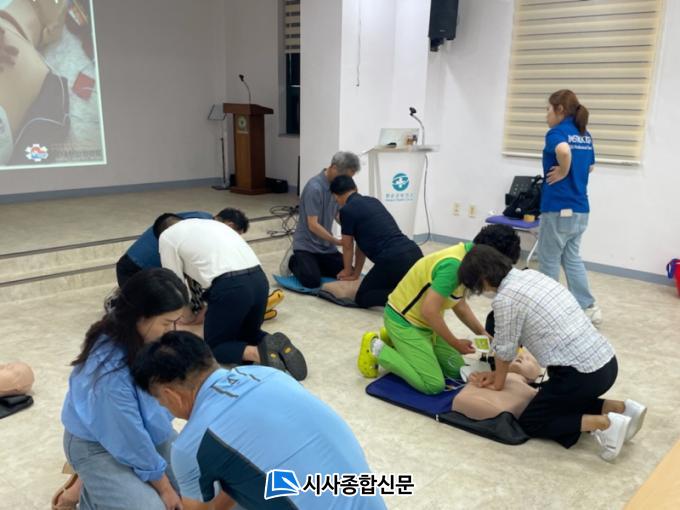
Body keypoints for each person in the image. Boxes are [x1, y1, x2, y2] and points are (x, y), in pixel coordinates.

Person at [132, 331, 386, 510]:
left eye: (159, 400)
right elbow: (257, 465)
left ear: (170, 395)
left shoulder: (190, 447)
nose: (162, 406)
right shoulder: (267, 374)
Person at [458, 245, 647, 461]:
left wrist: (497, 382)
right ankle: (623, 409)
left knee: (532, 421)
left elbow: (505, 349)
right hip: (606, 363)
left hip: (580, 375)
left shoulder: (506, 299)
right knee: (558, 401)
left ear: (483, 279)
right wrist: (497, 374)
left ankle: (606, 424)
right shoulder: (532, 275)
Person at [56, 268, 189, 509]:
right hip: (96, 445)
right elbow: (130, 439)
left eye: (177, 321)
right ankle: (86, 493)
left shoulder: (144, 339)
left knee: (198, 486)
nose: (173, 330)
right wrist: (165, 488)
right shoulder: (108, 373)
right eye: (167, 323)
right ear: (140, 317)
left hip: (146, 432)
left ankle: (88, 485)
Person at [357, 227, 522, 395]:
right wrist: (455, 343)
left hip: (427, 326)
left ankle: (397, 342)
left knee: (457, 370)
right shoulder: (453, 266)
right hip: (404, 322)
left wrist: (482, 333)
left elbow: (459, 304)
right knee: (433, 384)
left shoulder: (469, 260)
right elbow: (429, 311)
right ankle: (377, 349)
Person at [154, 214, 307, 380]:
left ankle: (257, 354)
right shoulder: (211, 225)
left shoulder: (167, 236)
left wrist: (185, 318)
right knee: (248, 333)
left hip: (230, 287)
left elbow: (175, 285)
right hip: (259, 280)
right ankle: (277, 345)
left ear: (162, 232)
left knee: (214, 346)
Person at [539, 89, 601, 325]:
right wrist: (572, 172)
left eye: (548, 109)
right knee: (572, 257)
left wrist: (564, 171)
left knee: (549, 259)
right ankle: (588, 307)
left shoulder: (557, 133)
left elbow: (563, 151)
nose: (546, 115)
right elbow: (590, 166)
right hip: (580, 208)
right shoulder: (584, 135)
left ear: (560, 109)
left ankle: (548, 311)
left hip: (559, 207)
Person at [330, 175, 423, 308]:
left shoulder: (346, 210)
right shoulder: (373, 201)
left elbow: (347, 245)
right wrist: (355, 273)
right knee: (391, 284)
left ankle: (410, 297)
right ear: (355, 188)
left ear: (336, 196)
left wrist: (346, 271)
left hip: (392, 260)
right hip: (414, 253)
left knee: (363, 297)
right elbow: (360, 246)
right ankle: (416, 292)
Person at [116, 208, 249, 288]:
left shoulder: (203, 218)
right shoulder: (203, 225)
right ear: (229, 226)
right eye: (235, 235)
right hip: (134, 268)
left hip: (147, 269)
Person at [289, 151, 361, 288]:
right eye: (344, 177)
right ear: (334, 168)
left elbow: (337, 214)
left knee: (349, 272)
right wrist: (336, 241)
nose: (345, 182)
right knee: (312, 281)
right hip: (306, 247)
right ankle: (294, 261)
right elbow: (313, 225)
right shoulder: (314, 188)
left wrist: (352, 228)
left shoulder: (338, 188)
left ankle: (316, 265)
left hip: (326, 248)